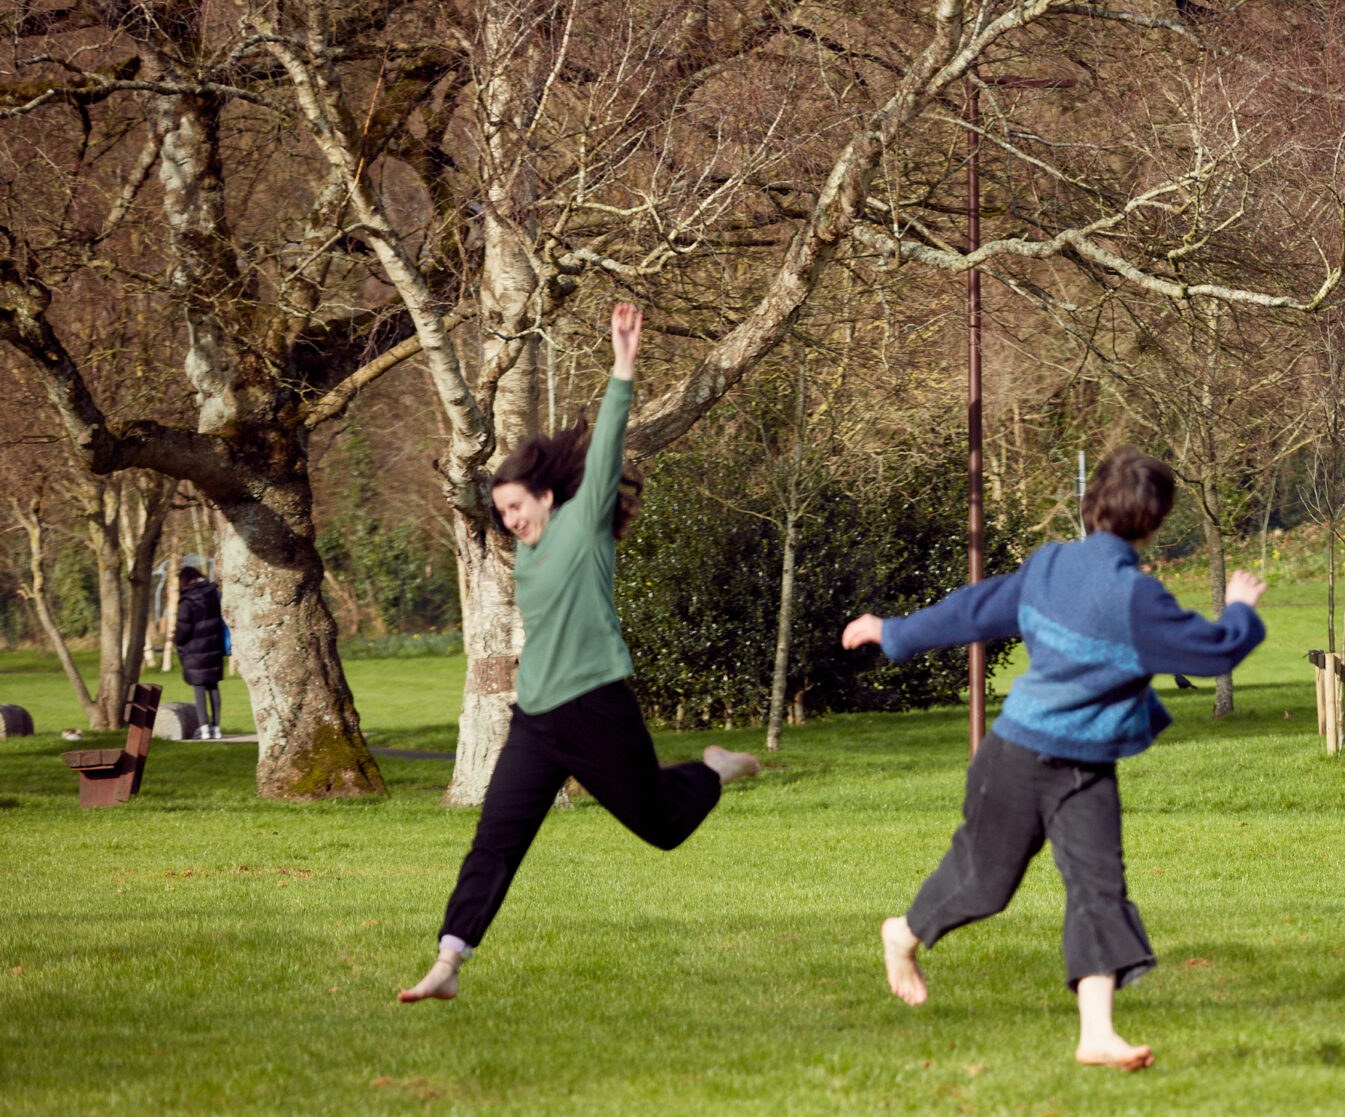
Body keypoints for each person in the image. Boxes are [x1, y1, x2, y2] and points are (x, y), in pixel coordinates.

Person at [840, 448, 1266, 1069]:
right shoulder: (1135, 597)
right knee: (985, 884)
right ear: (1154, 524)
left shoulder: (1051, 566)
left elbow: (971, 608)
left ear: (1090, 505)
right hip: (1019, 758)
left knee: (1098, 888)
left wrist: (895, 629)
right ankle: (901, 933)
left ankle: (1097, 1033)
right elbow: (1218, 649)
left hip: (1082, 770)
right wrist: (1240, 606)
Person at [401, 302, 760, 1004]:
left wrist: (623, 366)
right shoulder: (526, 559)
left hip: (598, 708)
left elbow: (607, 447)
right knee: (496, 838)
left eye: (515, 508)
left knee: (660, 827)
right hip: (535, 719)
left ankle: (713, 771)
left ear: (544, 495)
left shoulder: (581, 525)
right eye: (500, 514)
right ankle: (448, 960)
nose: (509, 522)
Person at [170, 562, 227, 737]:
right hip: (214, 646)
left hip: (194, 650)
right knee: (214, 686)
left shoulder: (187, 600)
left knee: (199, 687)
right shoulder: (213, 594)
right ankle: (216, 728)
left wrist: (176, 640)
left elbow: (183, 628)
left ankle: (204, 728)